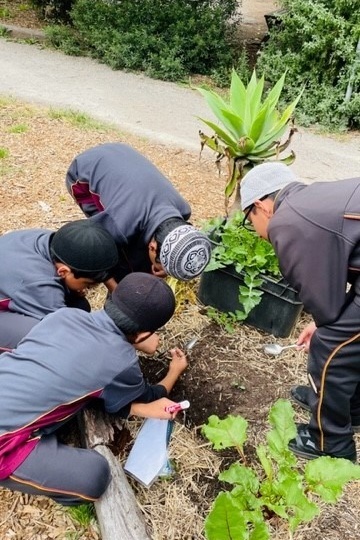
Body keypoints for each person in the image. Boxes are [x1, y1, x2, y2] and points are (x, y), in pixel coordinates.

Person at [0, 272, 188, 505]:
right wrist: (174, 371)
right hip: (3, 443)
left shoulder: (65, 315)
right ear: (144, 334)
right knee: (94, 476)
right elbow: (149, 396)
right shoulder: (122, 361)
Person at [240, 161, 360, 462]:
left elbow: (328, 311)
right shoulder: (313, 198)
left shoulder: (287, 221)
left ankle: (330, 441)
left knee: (331, 347)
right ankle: (346, 407)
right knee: (343, 338)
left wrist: (323, 327)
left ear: (261, 206)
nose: (254, 231)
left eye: (248, 220)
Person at [65, 142, 211, 287]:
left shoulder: (182, 208)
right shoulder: (119, 225)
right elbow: (93, 247)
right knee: (117, 254)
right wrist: (114, 287)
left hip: (121, 153)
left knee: (138, 256)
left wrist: (161, 267)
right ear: (152, 247)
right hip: (82, 174)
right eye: (163, 269)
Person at [0, 219, 119, 351]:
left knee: (79, 307)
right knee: (50, 338)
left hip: (12, 286)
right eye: (87, 284)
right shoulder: (41, 286)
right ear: (63, 271)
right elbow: (67, 330)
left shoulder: (55, 242)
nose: (86, 290)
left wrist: (120, 297)